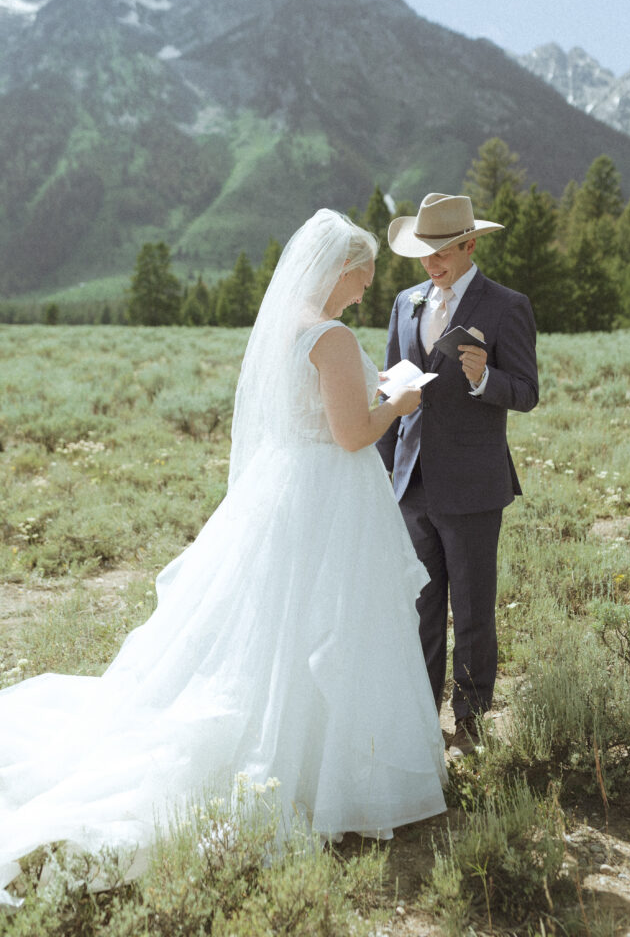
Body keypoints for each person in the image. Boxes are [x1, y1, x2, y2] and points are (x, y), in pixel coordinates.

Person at [0, 209, 446, 909]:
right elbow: (354, 434)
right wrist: (403, 401)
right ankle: (325, 782)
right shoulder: (328, 335)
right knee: (324, 627)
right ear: (341, 267)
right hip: (327, 498)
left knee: (280, 631)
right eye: (363, 273)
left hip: (288, 493)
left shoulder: (290, 324)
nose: (367, 287)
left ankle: (314, 766)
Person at [376, 193, 539, 753]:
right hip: (411, 481)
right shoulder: (405, 302)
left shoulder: (506, 306)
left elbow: (527, 393)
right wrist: (379, 472)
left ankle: (470, 721)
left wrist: (484, 378)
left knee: (471, 608)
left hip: (473, 485)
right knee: (421, 604)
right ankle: (424, 716)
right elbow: (393, 384)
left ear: (469, 245)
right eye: (425, 252)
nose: (430, 263)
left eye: (442, 251)